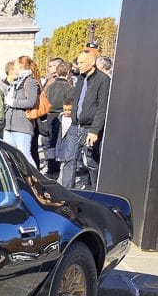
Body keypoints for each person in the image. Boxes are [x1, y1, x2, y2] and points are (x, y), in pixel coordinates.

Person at [70, 49, 110, 190]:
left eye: (81, 62)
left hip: (90, 128)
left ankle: (96, 189)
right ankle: (67, 190)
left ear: (91, 63)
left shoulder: (103, 80)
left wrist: (94, 130)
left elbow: (102, 107)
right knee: (69, 159)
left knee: (92, 161)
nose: (78, 65)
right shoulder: (81, 78)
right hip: (75, 126)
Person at [3, 55, 41, 165]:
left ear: (20, 66)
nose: (13, 68)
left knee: (24, 155)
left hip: (22, 125)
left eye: (14, 65)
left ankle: (35, 179)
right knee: (9, 155)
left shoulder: (30, 81)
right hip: (9, 124)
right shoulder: (16, 82)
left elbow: (31, 101)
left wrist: (13, 102)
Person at [43, 61, 75, 177]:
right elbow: (69, 103)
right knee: (59, 143)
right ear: (68, 73)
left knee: (49, 143)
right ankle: (57, 168)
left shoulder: (50, 86)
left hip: (48, 115)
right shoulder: (69, 87)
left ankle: (50, 168)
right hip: (60, 116)